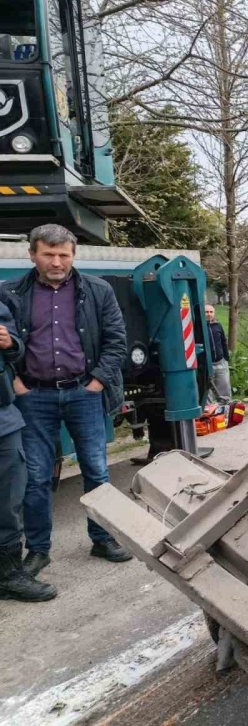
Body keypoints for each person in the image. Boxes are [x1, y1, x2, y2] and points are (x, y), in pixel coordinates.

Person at [0, 224, 131, 577]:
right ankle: (38, 550)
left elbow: (116, 340)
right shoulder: (10, 292)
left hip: (83, 393)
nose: (57, 262)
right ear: (32, 255)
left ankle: (103, 538)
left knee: (96, 469)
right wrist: (18, 385)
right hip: (33, 396)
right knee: (37, 477)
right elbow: (5, 348)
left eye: (64, 255)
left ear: (73, 255)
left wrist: (97, 382)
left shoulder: (98, 290)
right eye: (48, 254)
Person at [0, 301, 57, 601]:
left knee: (8, 502)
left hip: (3, 420)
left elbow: (16, 351)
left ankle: (9, 576)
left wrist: (10, 343)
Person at [204, 304, 232, 401]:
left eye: (211, 312)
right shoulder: (199, 328)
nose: (209, 314)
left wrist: (226, 358)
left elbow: (224, 341)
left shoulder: (218, 325)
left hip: (220, 362)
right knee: (207, 390)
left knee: (224, 386)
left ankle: (226, 407)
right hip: (207, 364)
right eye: (206, 312)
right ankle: (209, 411)